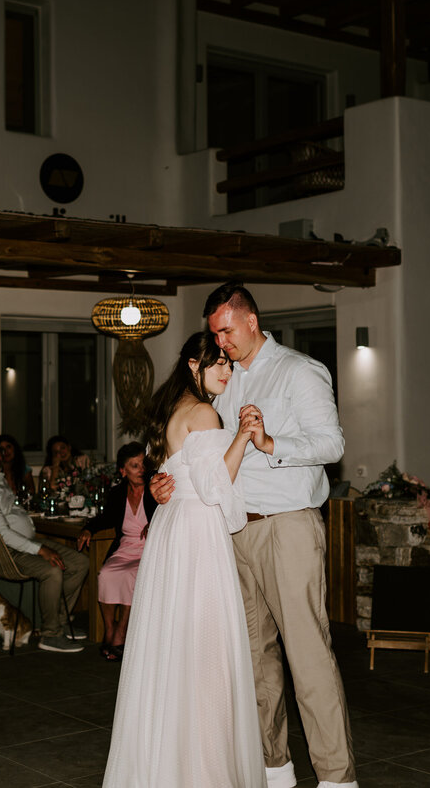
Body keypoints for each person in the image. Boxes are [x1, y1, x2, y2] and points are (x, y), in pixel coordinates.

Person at [154, 281, 355, 788]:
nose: (220, 344)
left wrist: (269, 441)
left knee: (307, 656)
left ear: (250, 320)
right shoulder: (226, 380)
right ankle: (275, 768)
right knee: (253, 659)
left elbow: (331, 445)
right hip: (232, 532)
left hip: (287, 525)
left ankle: (336, 777)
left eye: (225, 331)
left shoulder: (299, 370)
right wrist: (169, 480)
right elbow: (207, 454)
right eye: (214, 336)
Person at [102, 332, 265, 788]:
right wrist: (246, 437)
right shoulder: (205, 412)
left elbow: (183, 475)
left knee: (175, 648)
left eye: (230, 365)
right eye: (219, 364)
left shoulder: (174, 410)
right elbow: (217, 487)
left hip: (174, 531)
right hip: (196, 534)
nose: (227, 372)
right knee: (205, 648)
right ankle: (203, 770)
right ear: (195, 365)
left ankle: (167, 763)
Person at [0, 433, 89, 653]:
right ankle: (50, 634)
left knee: (80, 562)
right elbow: (2, 534)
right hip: (7, 552)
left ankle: (58, 620)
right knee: (52, 571)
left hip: (26, 542)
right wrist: (40, 549)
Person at [75, 441, 155, 662]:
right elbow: (107, 518)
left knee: (131, 576)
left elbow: (170, 512)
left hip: (149, 550)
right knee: (106, 574)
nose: (141, 470)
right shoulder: (118, 493)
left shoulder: (154, 490)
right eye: (134, 466)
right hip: (126, 547)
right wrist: (89, 529)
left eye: (143, 464)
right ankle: (109, 629)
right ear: (123, 471)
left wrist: (155, 523)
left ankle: (122, 630)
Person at [0, 433, 36, 499]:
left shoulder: (24, 470)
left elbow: (32, 493)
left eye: (8, 447)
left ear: (15, 448)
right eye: (1, 449)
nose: (6, 451)